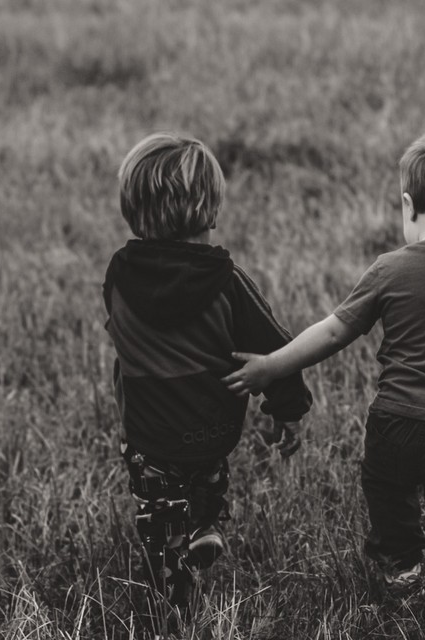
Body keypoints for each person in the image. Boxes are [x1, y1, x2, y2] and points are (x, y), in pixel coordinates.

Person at [223, 128, 425, 607]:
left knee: (387, 491)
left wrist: (271, 365)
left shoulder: (390, 268)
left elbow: (333, 332)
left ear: (409, 205)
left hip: (398, 425)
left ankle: (401, 565)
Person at [102, 132, 311, 622]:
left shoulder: (119, 275)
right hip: (213, 427)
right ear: (210, 210)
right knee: (206, 473)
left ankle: (173, 596)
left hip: (150, 435)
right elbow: (278, 347)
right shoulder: (227, 281)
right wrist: (289, 410)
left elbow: (118, 331)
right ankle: (206, 522)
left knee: (160, 519)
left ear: (134, 210)